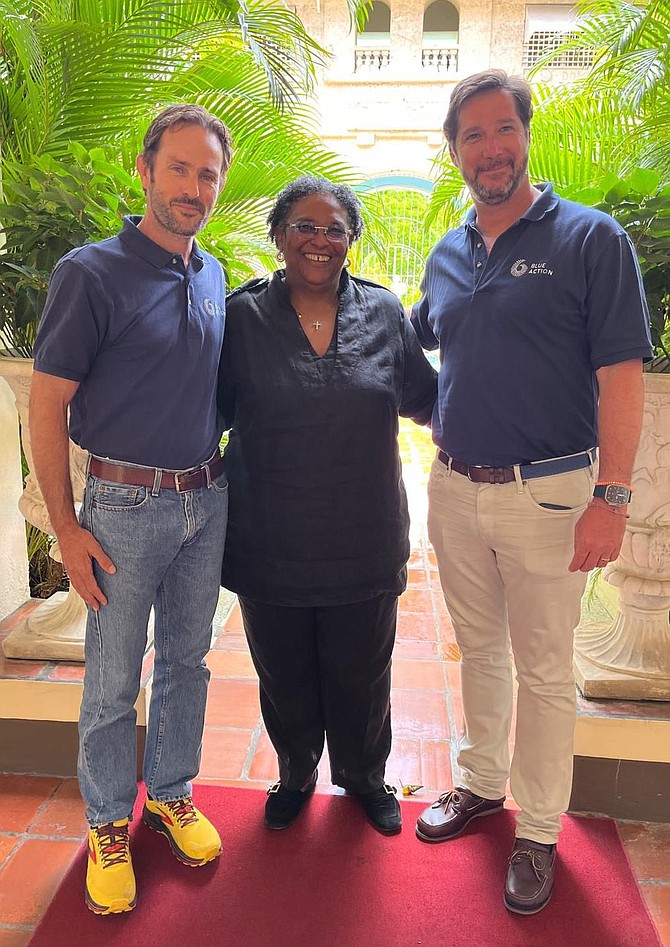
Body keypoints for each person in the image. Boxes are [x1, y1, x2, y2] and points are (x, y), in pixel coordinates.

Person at [410, 70, 652, 914]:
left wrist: (612, 496)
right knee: (480, 649)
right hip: (454, 489)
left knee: (547, 671)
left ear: (526, 133)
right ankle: (478, 782)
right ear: (455, 152)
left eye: (502, 128)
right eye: (471, 136)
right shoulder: (448, 250)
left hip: (551, 495)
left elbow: (622, 374)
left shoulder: (590, 239)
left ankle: (540, 829)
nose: (490, 148)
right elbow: (415, 351)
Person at [29, 104, 233, 915]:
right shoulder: (92, 272)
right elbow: (46, 409)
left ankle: (172, 791)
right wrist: (67, 527)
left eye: (208, 173)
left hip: (204, 499)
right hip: (119, 507)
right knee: (113, 679)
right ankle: (111, 821)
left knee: (189, 660)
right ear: (145, 171)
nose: (194, 186)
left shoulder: (212, 274)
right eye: (179, 168)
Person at [218, 176, 437, 836]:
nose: (319, 239)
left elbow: (430, 402)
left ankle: (366, 777)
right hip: (269, 538)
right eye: (304, 226)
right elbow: (202, 413)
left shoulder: (383, 312)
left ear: (352, 240)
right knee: (284, 672)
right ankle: (294, 772)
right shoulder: (241, 317)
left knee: (362, 674)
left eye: (334, 228)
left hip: (363, 537)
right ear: (278, 234)